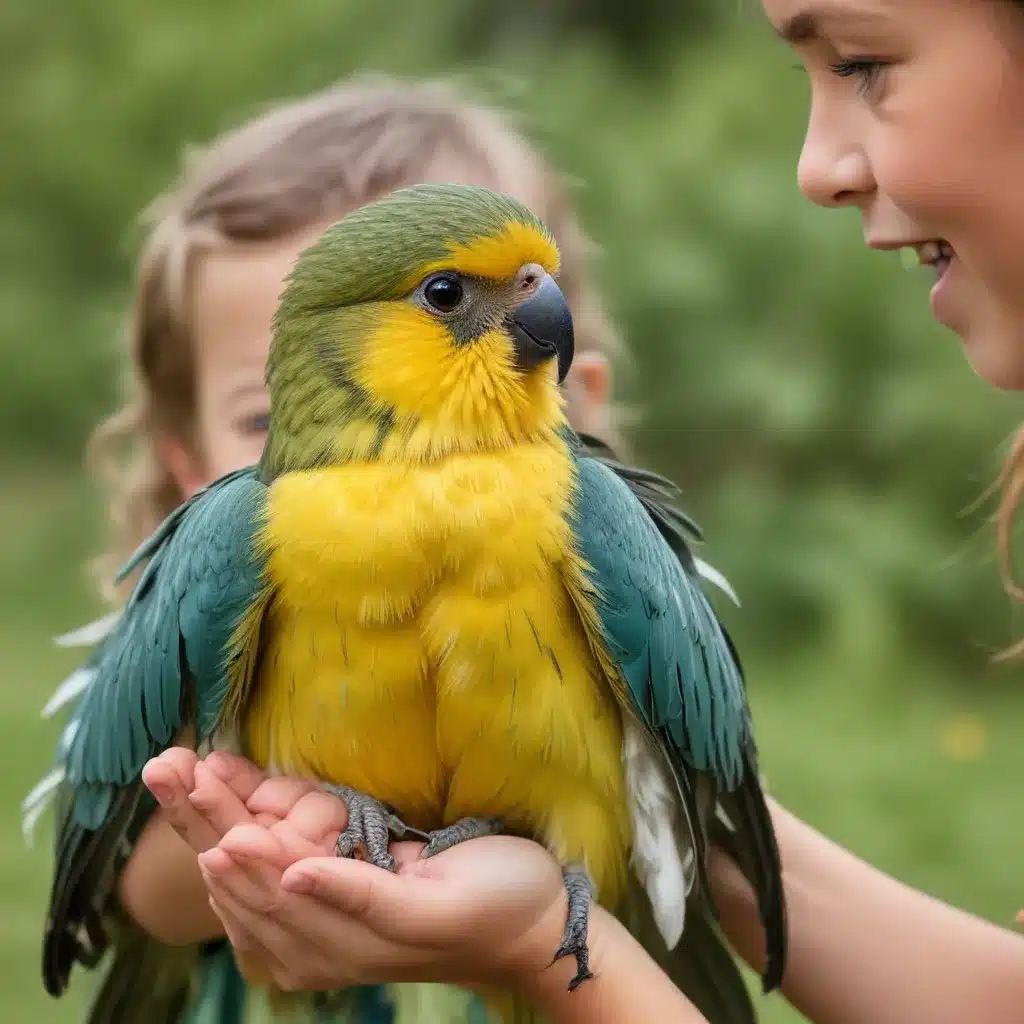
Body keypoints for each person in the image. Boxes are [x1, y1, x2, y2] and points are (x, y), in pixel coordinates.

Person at [146, 1, 1024, 1022]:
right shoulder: (253, 527)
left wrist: (548, 935)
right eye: (449, 296)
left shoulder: (575, 506)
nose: (816, 166)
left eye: (864, 64)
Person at [45, 75, 623, 1023]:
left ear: (573, 394)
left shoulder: (601, 565)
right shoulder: (222, 579)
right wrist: (273, 848)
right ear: (186, 462)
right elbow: (138, 885)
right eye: (263, 415)